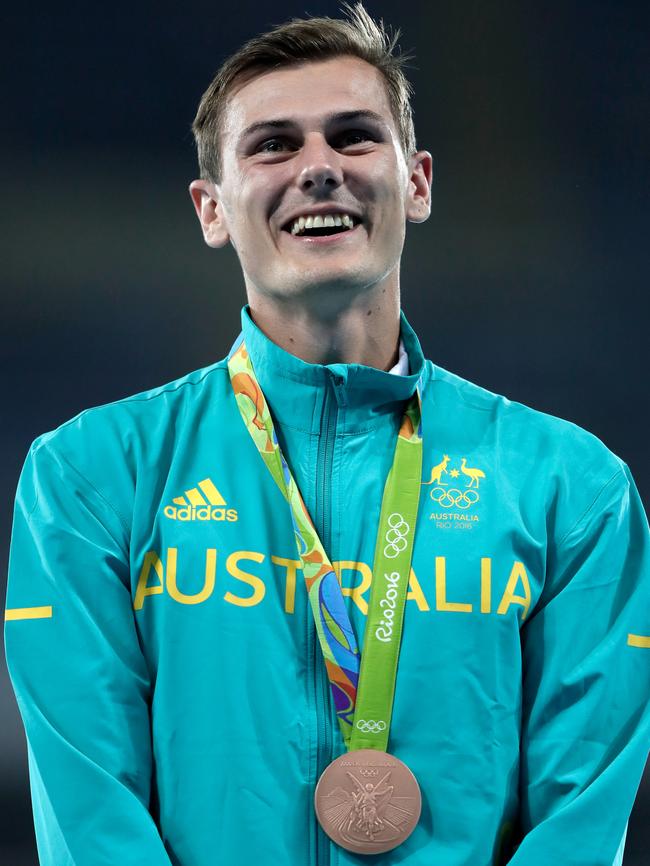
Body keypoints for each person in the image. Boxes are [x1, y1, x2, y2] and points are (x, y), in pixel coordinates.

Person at [4, 3, 649, 865]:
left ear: (417, 182)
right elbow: (91, 813)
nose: (318, 169)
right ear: (211, 208)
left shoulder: (573, 488)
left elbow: (579, 818)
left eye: (352, 137)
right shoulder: (87, 478)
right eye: (272, 145)